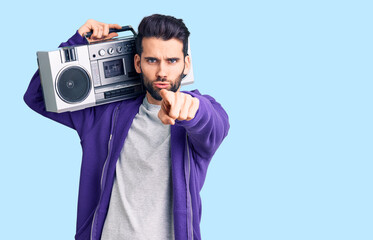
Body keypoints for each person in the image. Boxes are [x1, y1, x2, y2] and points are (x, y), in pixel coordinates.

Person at [24, 14, 229, 240]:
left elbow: (214, 125)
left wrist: (192, 111)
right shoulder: (104, 114)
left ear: (186, 64)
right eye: (152, 60)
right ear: (137, 63)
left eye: (172, 60)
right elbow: (37, 97)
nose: (162, 71)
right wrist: (76, 44)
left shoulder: (198, 111)